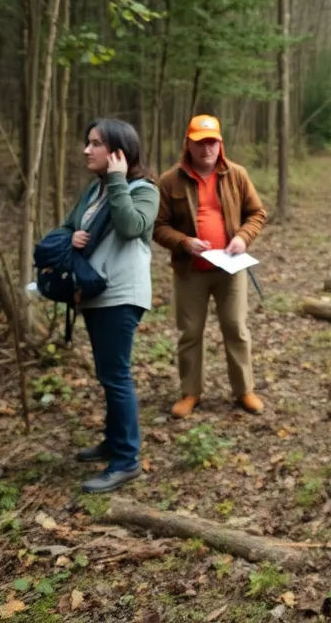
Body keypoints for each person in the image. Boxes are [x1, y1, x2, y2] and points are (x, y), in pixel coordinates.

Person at [153, 115, 269, 419]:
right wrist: (184, 242)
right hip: (190, 271)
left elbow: (257, 213)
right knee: (189, 332)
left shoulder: (237, 175)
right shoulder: (170, 180)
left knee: (236, 328)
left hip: (230, 268)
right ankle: (191, 392)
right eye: (200, 142)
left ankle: (244, 390)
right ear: (188, 144)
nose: (207, 148)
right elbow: (158, 226)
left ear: (220, 143)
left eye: (212, 142)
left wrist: (243, 238)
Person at [66, 119, 160, 494]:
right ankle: (113, 442)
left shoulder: (144, 189)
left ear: (119, 151)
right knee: (108, 374)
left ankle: (126, 461)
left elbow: (131, 226)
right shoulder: (94, 190)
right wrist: (70, 235)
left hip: (122, 295)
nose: (87, 150)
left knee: (117, 376)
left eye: (95, 144)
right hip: (94, 294)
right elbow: (67, 225)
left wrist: (119, 180)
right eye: (87, 143)